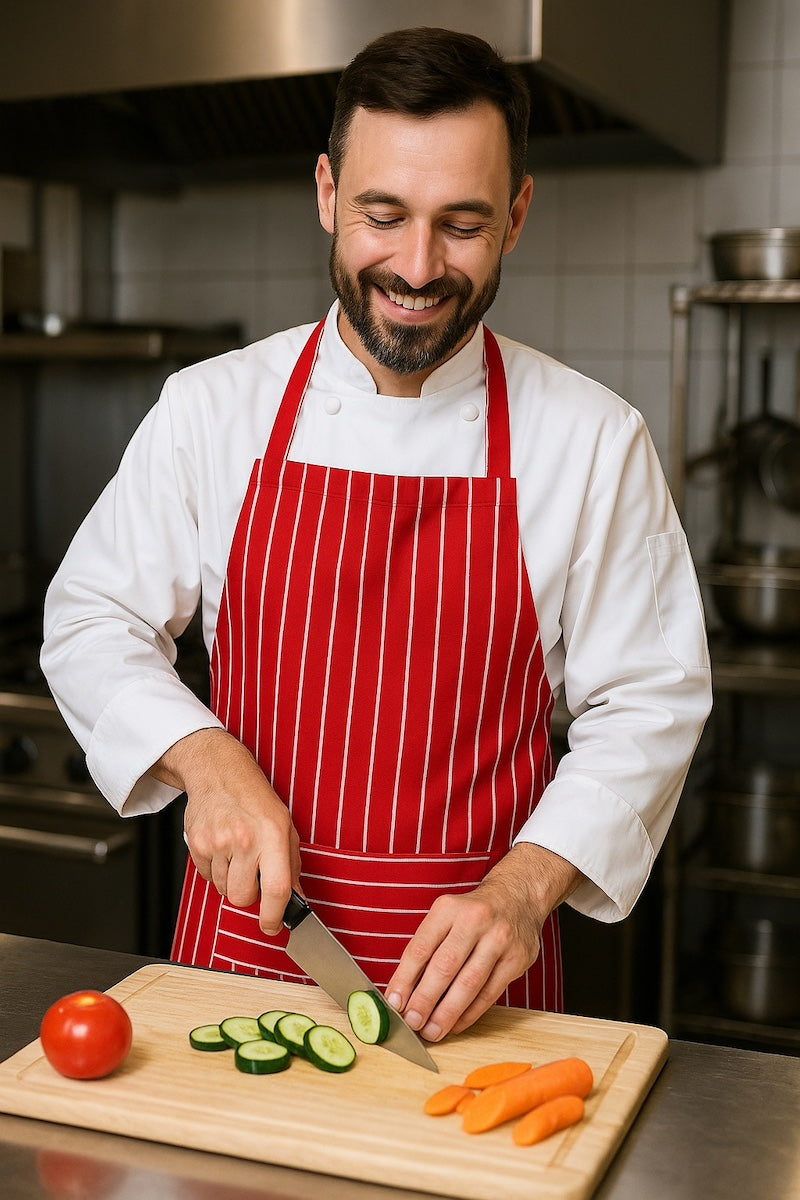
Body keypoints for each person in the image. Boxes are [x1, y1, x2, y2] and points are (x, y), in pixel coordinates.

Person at [40, 27, 712, 1043]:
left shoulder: (590, 440)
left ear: (517, 216)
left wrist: (527, 889)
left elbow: (649, 702)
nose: (415, 265)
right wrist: (204, 757)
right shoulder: (211, 409)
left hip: (477, 991)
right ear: (325, 193)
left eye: (461, 224)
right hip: (242, 964)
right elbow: (92, 617)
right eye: (382, 214)